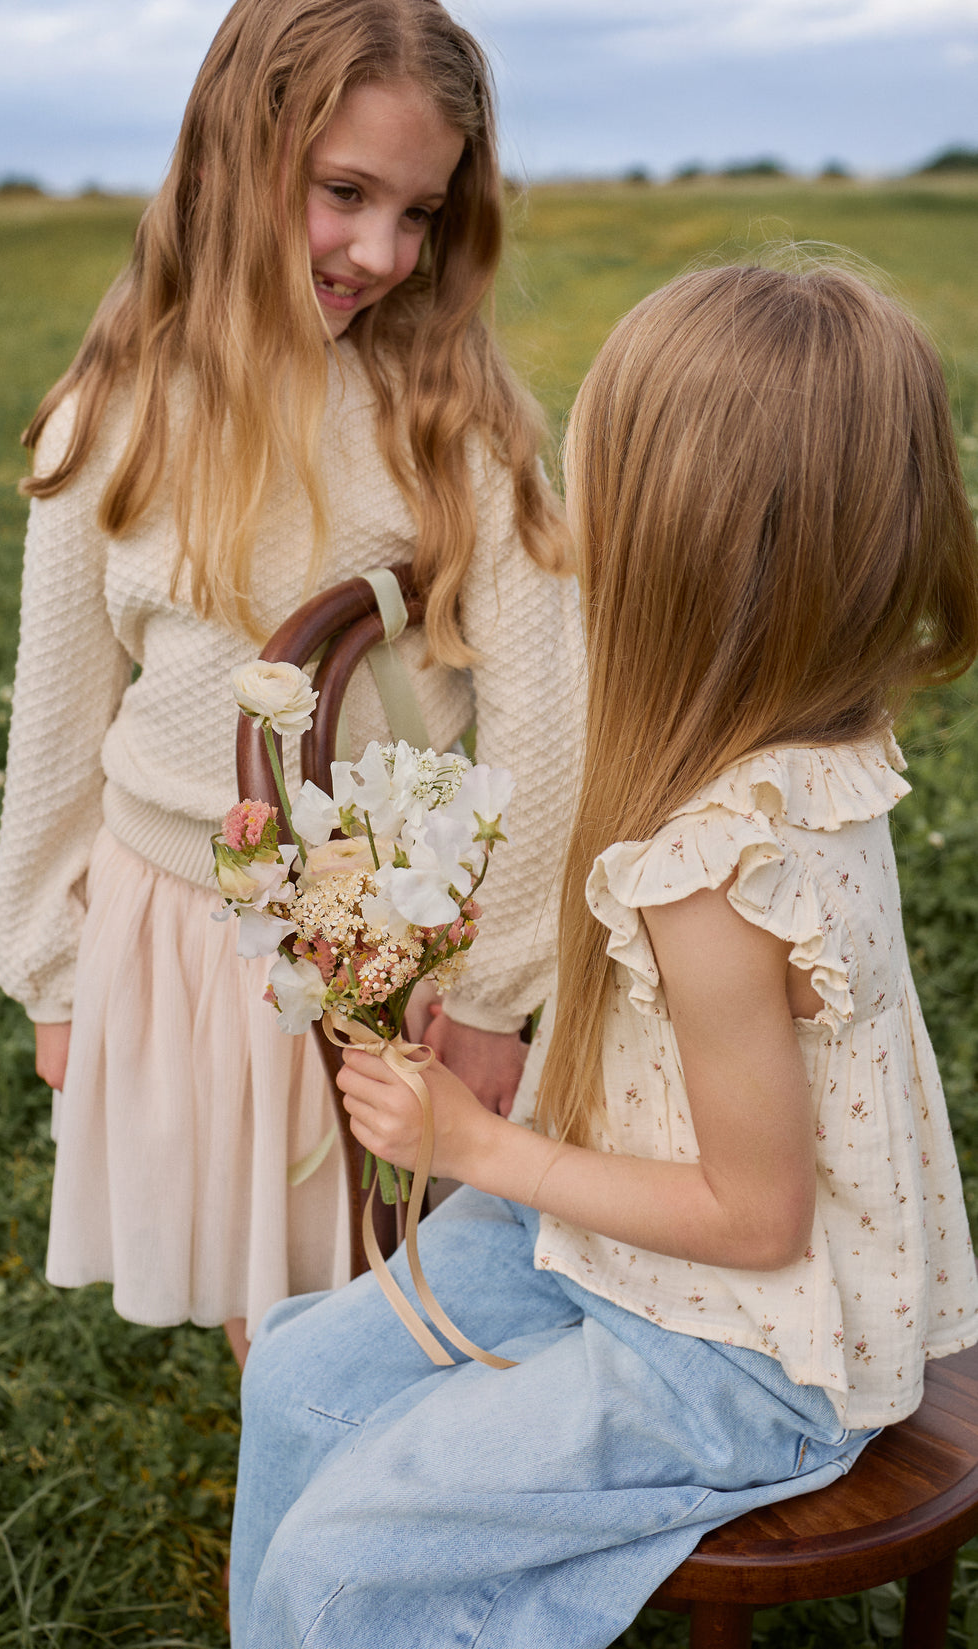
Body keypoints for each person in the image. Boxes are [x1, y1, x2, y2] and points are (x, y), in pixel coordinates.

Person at [228, 260, 978, 1648]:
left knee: (339, 1566)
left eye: (599, 503)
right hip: (625, 1235)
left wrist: (480, 1146)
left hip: (744, 1351)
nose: (576, 537)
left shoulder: (726, 863)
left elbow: (760, 1220)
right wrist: (517, 1082)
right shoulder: (791, 740)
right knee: (295, 1376)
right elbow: (677, 1060)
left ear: (685, 555)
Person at [0, 0, 580, 1369]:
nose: (384, 251)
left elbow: (555, 716)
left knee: (402, 1282)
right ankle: (299, 1512)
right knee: (273, 1288)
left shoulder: (453, 424)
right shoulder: (116, 414)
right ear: (231, 154)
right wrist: (54, 969)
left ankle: (388, 1516)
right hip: (175, 932)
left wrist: (495, 990)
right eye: (346, 193)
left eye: (420, 212)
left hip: (396, 949)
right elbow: (58, 717)